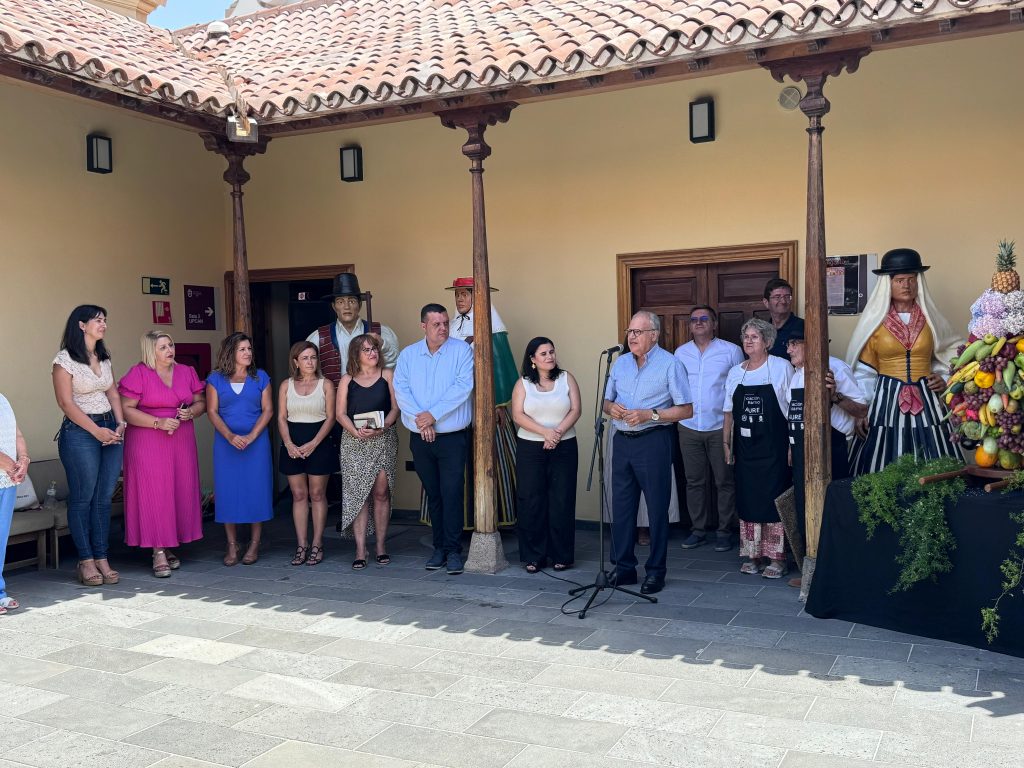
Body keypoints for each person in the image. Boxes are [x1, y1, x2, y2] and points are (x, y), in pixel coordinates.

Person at [847, 249, 962, 474]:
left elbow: (948, 352)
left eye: (911, 279)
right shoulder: (875, 324)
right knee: (881, 457)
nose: (906, 285)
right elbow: (866, 370)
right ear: (887, 284)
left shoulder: (931, 319)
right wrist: (862, 409)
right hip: (885, 398)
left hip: (927, 397)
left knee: (935, 452)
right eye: (899, 280)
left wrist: (945, 378)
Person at [603, 311, 692, 595]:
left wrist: (649, 415)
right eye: (629, 331)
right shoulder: (620, 364)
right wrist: (611, 408)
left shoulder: (670, 364)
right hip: (622, 442)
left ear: (654, 335)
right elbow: (606, 401)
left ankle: (656, 571)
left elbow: (686, 409)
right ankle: (624, 568)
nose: (631, 336)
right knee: (622, 507)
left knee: (656, 509)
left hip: (654, 441)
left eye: (638, 332)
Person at [118, 332, 206, 578]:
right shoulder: (138, 373)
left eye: (171, 345)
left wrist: (193, 413)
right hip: (148, 440)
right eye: (163, 347)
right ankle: (158, 550)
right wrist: (157, 422)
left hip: (181, 439)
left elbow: (200, 401)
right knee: (155, 493)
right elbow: (125, 410)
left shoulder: (187, 371)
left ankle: (167, 544)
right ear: (150, 351)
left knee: (177, 490)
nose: (170, 350)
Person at [394, 303, 474, 575]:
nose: (442, 328)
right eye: (436, 324)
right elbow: (401, 390)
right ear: (423, 326)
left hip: (452, 437)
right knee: (434, 494)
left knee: (452, 493)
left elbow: (462, 387)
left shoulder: (462, 351)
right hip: (420, 437)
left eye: (445, 323)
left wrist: (433, 416)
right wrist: (422, 419)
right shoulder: (408, 355)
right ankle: (438, 548)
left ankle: (453, 551)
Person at [785, 333, 867, 588]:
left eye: (794, 344)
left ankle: (837, 570)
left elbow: (862, 410)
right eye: (788, 345)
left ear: (812, 343)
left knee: (831, 508)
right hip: (800, 449)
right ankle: (813, 568)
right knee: (804, 507)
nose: (789, 350)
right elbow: (794, 414)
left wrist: (835, 397)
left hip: (831, 447)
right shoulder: (796, 375)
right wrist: (791, 445)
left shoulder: (836, 368)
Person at [52, 305, 126, 587]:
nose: (103, 324)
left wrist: (120, 424)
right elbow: (66, 403)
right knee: (83, 497)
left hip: (110, 427)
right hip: (81, 433)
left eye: (105, 319)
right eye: (97, 320)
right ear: (81, 325)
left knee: (103, 498)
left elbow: (113, 393)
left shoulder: (103, 358)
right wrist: (97, 431)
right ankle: (85, 560)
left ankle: (102, 557)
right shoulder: (64, 360)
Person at [723, 317, 795, 579]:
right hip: (745, 450)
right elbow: (728, 413)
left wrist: (791, 446)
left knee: (772, 501)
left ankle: (777, 558)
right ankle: (752, 555)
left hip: (774, 449)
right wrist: (726, 443)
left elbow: (792, 410)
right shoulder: (735, 372)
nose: (748, 341)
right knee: (749, 500)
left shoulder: (781, 367)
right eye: (746, 337)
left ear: (767, 342)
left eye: (754, 337)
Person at [443, 276, 518, 528]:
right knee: (457, 460)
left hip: (485, 402)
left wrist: (498, 404)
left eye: (466, 293)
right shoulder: (449, 328)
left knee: (493, 460)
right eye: (458, 294)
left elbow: (502, 368)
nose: (461, 298)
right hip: (456, 405)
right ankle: (460, 521)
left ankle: (492, 518)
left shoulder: (493, 327)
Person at [674, 305, 744, 552]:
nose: (699, 322)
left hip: (720, 427)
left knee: (724, 480)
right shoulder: (680, 353)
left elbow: (739, 386)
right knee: (694, 481)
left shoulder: (732, 351)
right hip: (689, 425)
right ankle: (698, 529)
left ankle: (725, 531)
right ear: (690, 326)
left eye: (704, 319)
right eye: (694, 320)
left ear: (714, 324)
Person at [510, 336, 581, 573]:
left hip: (565, 446)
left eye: (552, 351)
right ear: (532, 359)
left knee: (562, 499)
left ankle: (562, 555)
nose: (550, 356)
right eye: (543, 354)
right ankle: (534, 556)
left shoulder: (566, 378)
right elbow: (518, 415)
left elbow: (576, 409)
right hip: (531, 448)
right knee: (532, 500)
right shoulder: (523, 384)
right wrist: (545, 433)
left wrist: (557, 433)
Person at [206, 332, 274, 566]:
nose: (247, 353)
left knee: (256, 489)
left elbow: (268, 410)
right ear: (230, 353)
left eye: (249, 349)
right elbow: (212, 411)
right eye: (242, 349)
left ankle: (255, 544)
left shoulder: (261, 377)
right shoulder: (215, 379)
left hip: (257, 444)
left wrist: (252, 436)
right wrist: (230, 436)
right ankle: (232, 545)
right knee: (228, 492)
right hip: (226, 445)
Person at [336, 334, 399, 569]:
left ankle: (381, 545)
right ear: (356, 355)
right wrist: (355, 431)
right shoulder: (346, 380)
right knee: (360, 495)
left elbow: (395, 408)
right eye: (366, 350)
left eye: (374, 349)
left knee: (381, 492)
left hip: (383, 439)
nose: (372, 353)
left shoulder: (387, 375)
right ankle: (360, 549)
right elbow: (339, 413)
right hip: (354, 442)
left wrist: (382, 428)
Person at [277, 341, 337, 566]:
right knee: (299, 495)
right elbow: (281, 417)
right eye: (305, 358)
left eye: (313, 357)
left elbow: (331, 417)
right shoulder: (286, 385)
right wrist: (288, 443)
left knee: (318, 494)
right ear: (296, 362)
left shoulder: (326, 385)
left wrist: (314, 443)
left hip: (319, 441)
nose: (310, 362)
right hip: (293, 442)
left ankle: (317, 543)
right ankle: (301, 544)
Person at [307, 272, 400, 381]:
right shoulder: (319, 337)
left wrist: (382, 345)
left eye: (351, 301)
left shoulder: (381, 332)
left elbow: (395, 364)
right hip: (334, 397)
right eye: (340, 302)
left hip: (370, 397)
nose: (346, 306)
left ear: (359, 305)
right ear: (334, 306)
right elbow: (309, 373)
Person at [0, 392, 28, 614]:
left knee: (0, 538)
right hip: (6, 471)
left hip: (6, 481)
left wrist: (24, 459)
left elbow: (16, 433)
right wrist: (10, 464)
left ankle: (0, 592)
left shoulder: (3, 399)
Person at [763, 278, 804, 361]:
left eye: (787, 296)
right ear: (766, 302)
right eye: (777, 297)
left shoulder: (805, 327)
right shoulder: (762, 331)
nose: (783, 301)